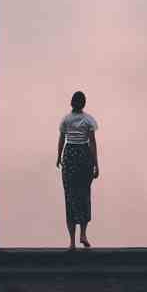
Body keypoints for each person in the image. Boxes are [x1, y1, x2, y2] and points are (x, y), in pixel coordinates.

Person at [56, 90, 99, 250]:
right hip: (84, 155)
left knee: (70, 197)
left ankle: (72, 241)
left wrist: (58, 156)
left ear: (71, 103)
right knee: (84, 195)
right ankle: (83, 234)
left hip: (70, 156)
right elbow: (93, 144)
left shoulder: (66, 120)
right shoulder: (89, 120)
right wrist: (96, 164)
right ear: (84, 103)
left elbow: (61, 140)